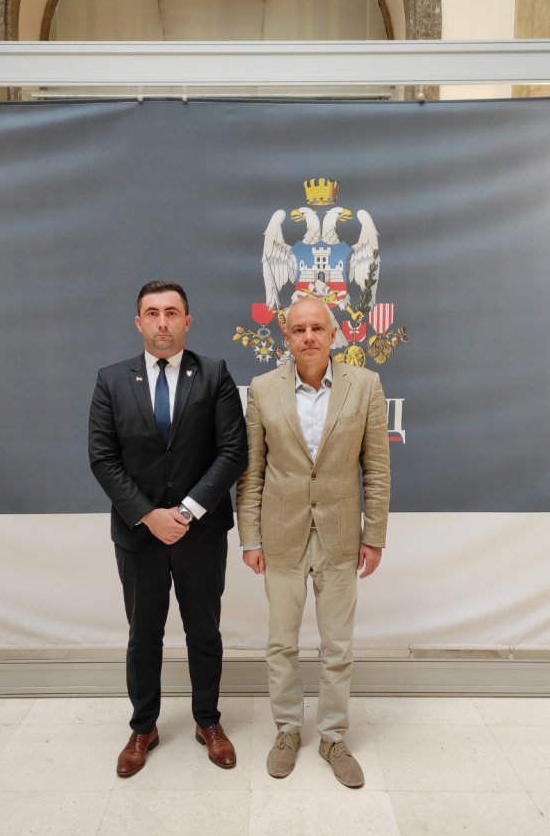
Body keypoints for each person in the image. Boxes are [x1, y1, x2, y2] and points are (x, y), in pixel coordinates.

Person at [89, 280, 247, 777]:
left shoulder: (215, 374)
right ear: (139, 322)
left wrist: (187, 511)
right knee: (144, 635)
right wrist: (149, 514)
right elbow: (103, 457)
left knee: (204, 631)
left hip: (201, 533)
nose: (162, 322)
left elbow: (233, 452)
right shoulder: (111, 380)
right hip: (139, 534)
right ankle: (143, 728)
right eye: (153, 313)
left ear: (187, 321)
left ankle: (208, 721)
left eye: (172, 312)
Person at [236, 296, 390, 788]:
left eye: (317, 328)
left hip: (341, 535)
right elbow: (252, 471)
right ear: (286, 336)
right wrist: (249, 537)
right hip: (281, 535)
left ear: (333, 333)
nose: (308, 337)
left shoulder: (365, 385)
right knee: (281, 643)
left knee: (337, 646)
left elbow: (377, 468)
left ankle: (333, 737)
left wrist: (374, 535)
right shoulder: (263, 389)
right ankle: (286, 730)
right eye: (298, 329)